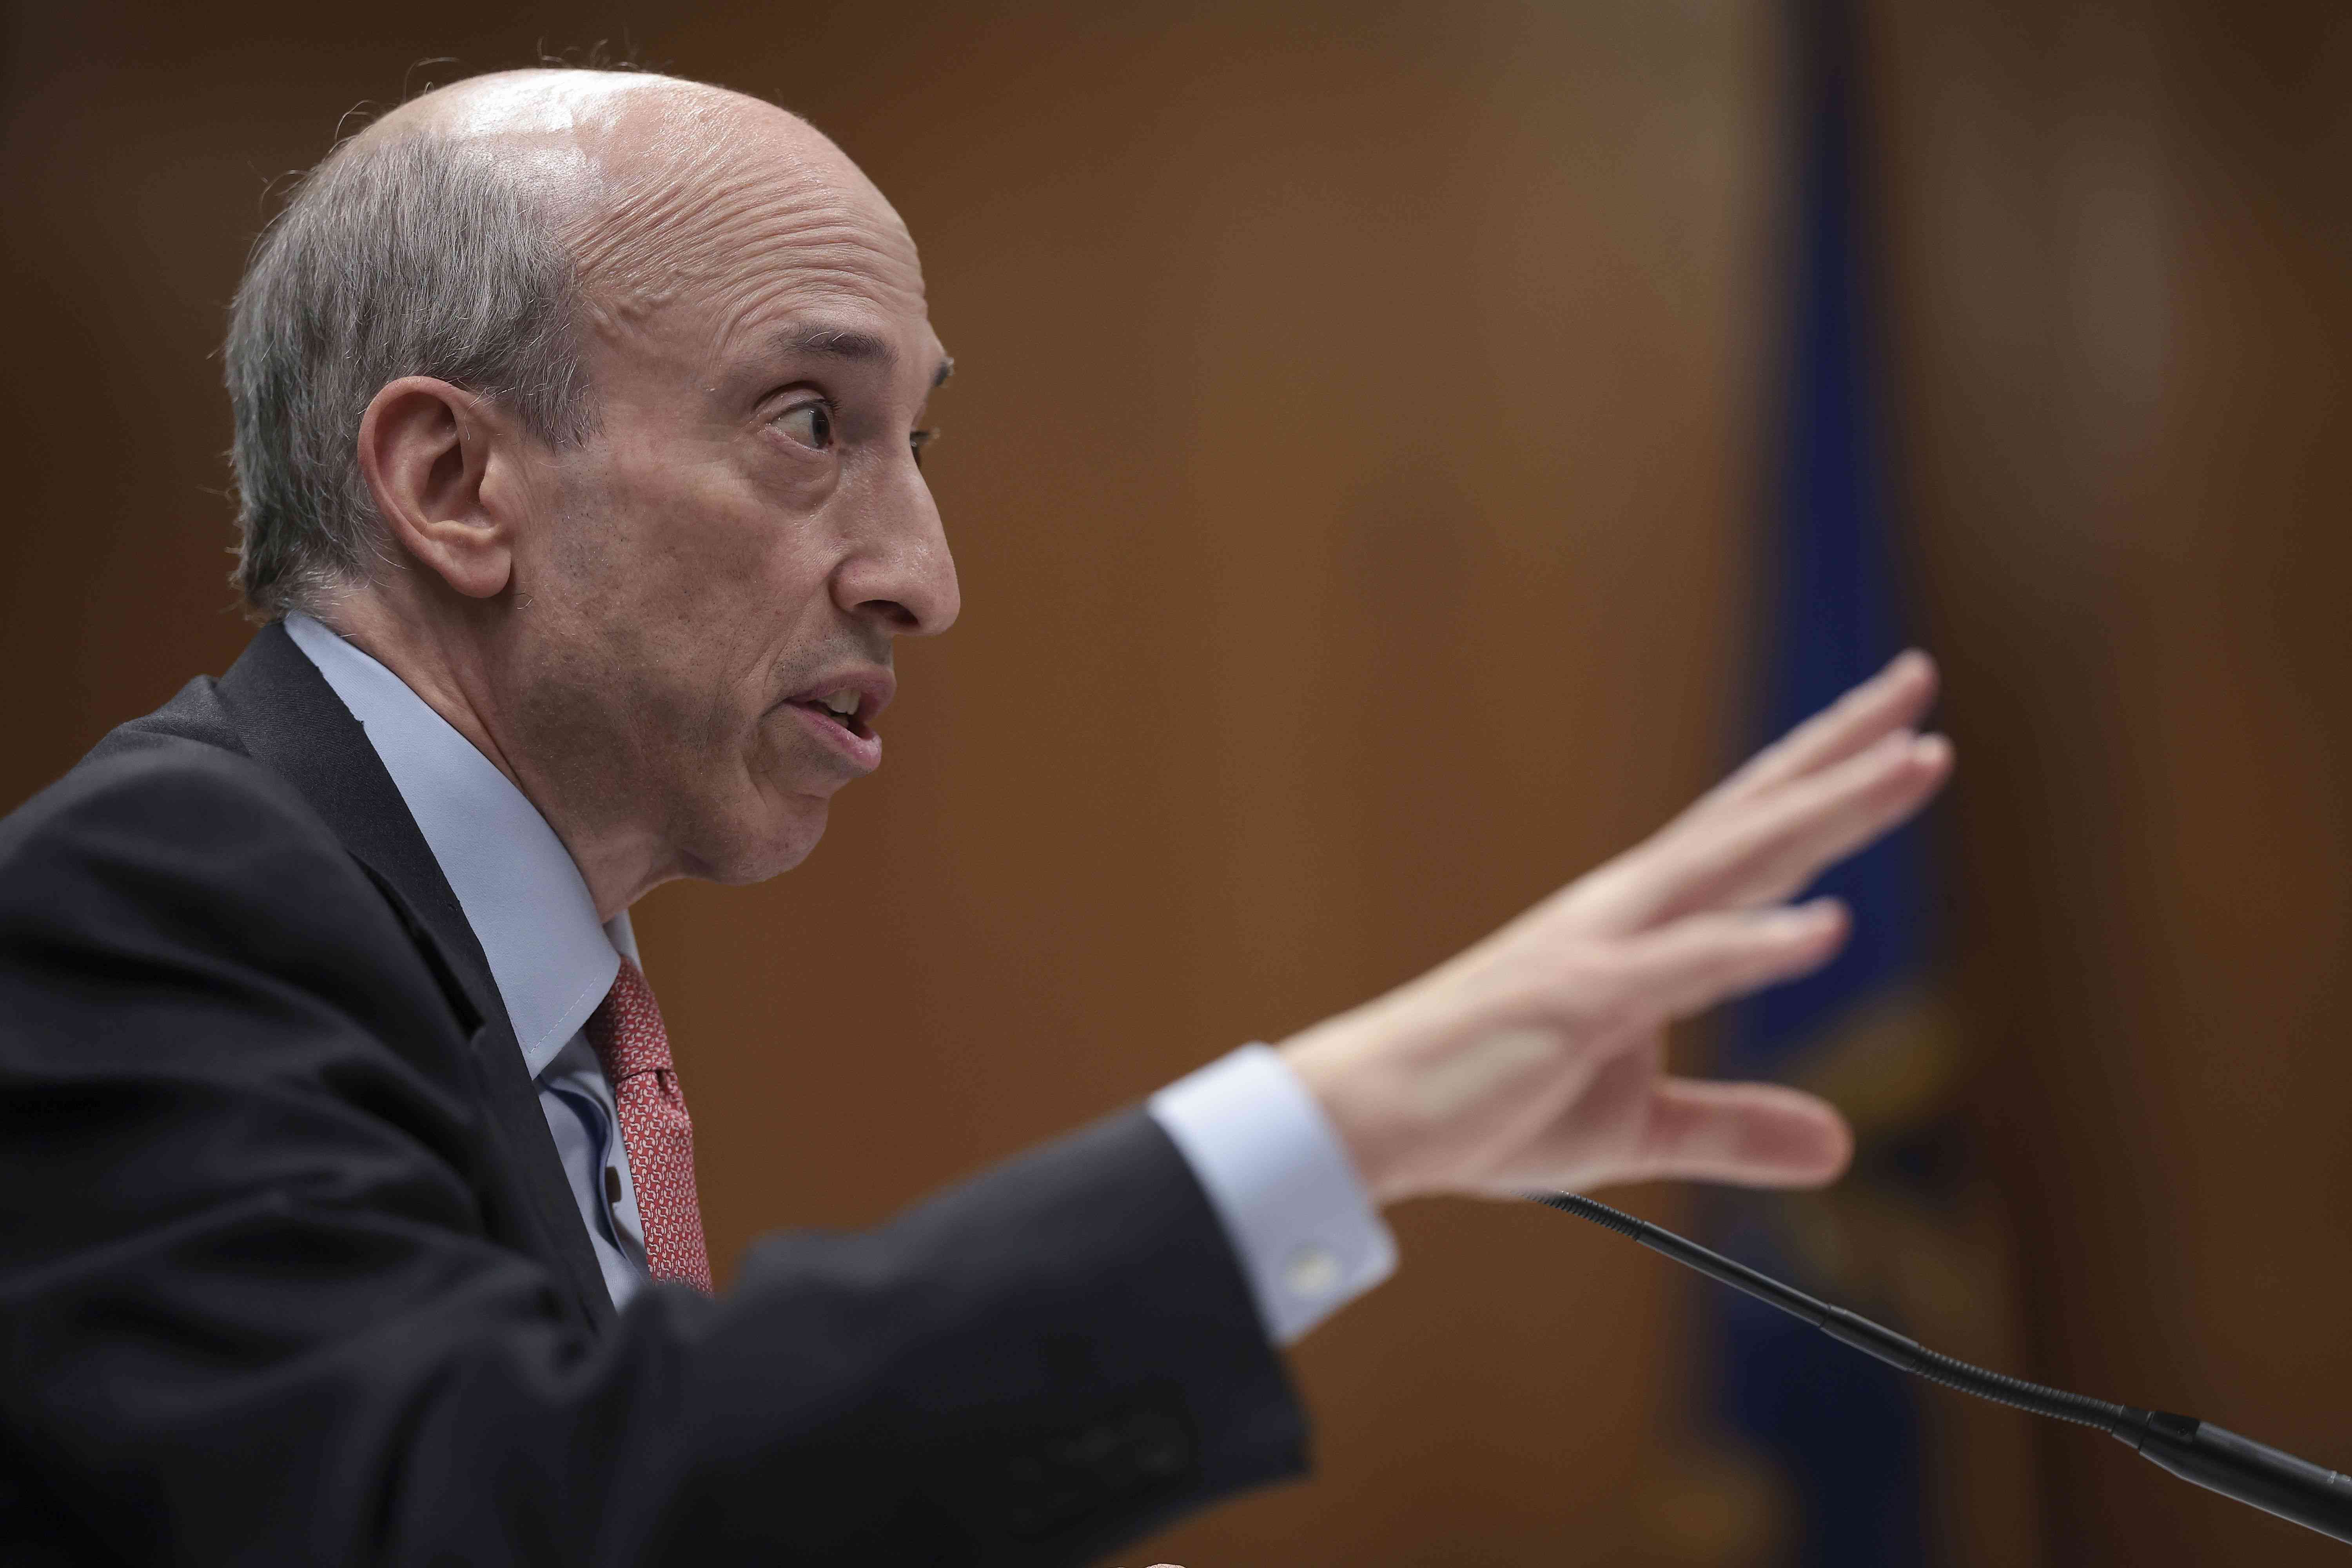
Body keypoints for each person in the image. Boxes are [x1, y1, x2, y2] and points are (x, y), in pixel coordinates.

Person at [0, 66, 1951, 1566]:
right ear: (455, 479)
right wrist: (1341, 1121)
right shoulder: (166, 895)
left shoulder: (497, 979)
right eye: (807, 423)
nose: (923, 576)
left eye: (915, 441)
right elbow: (496, 1509)